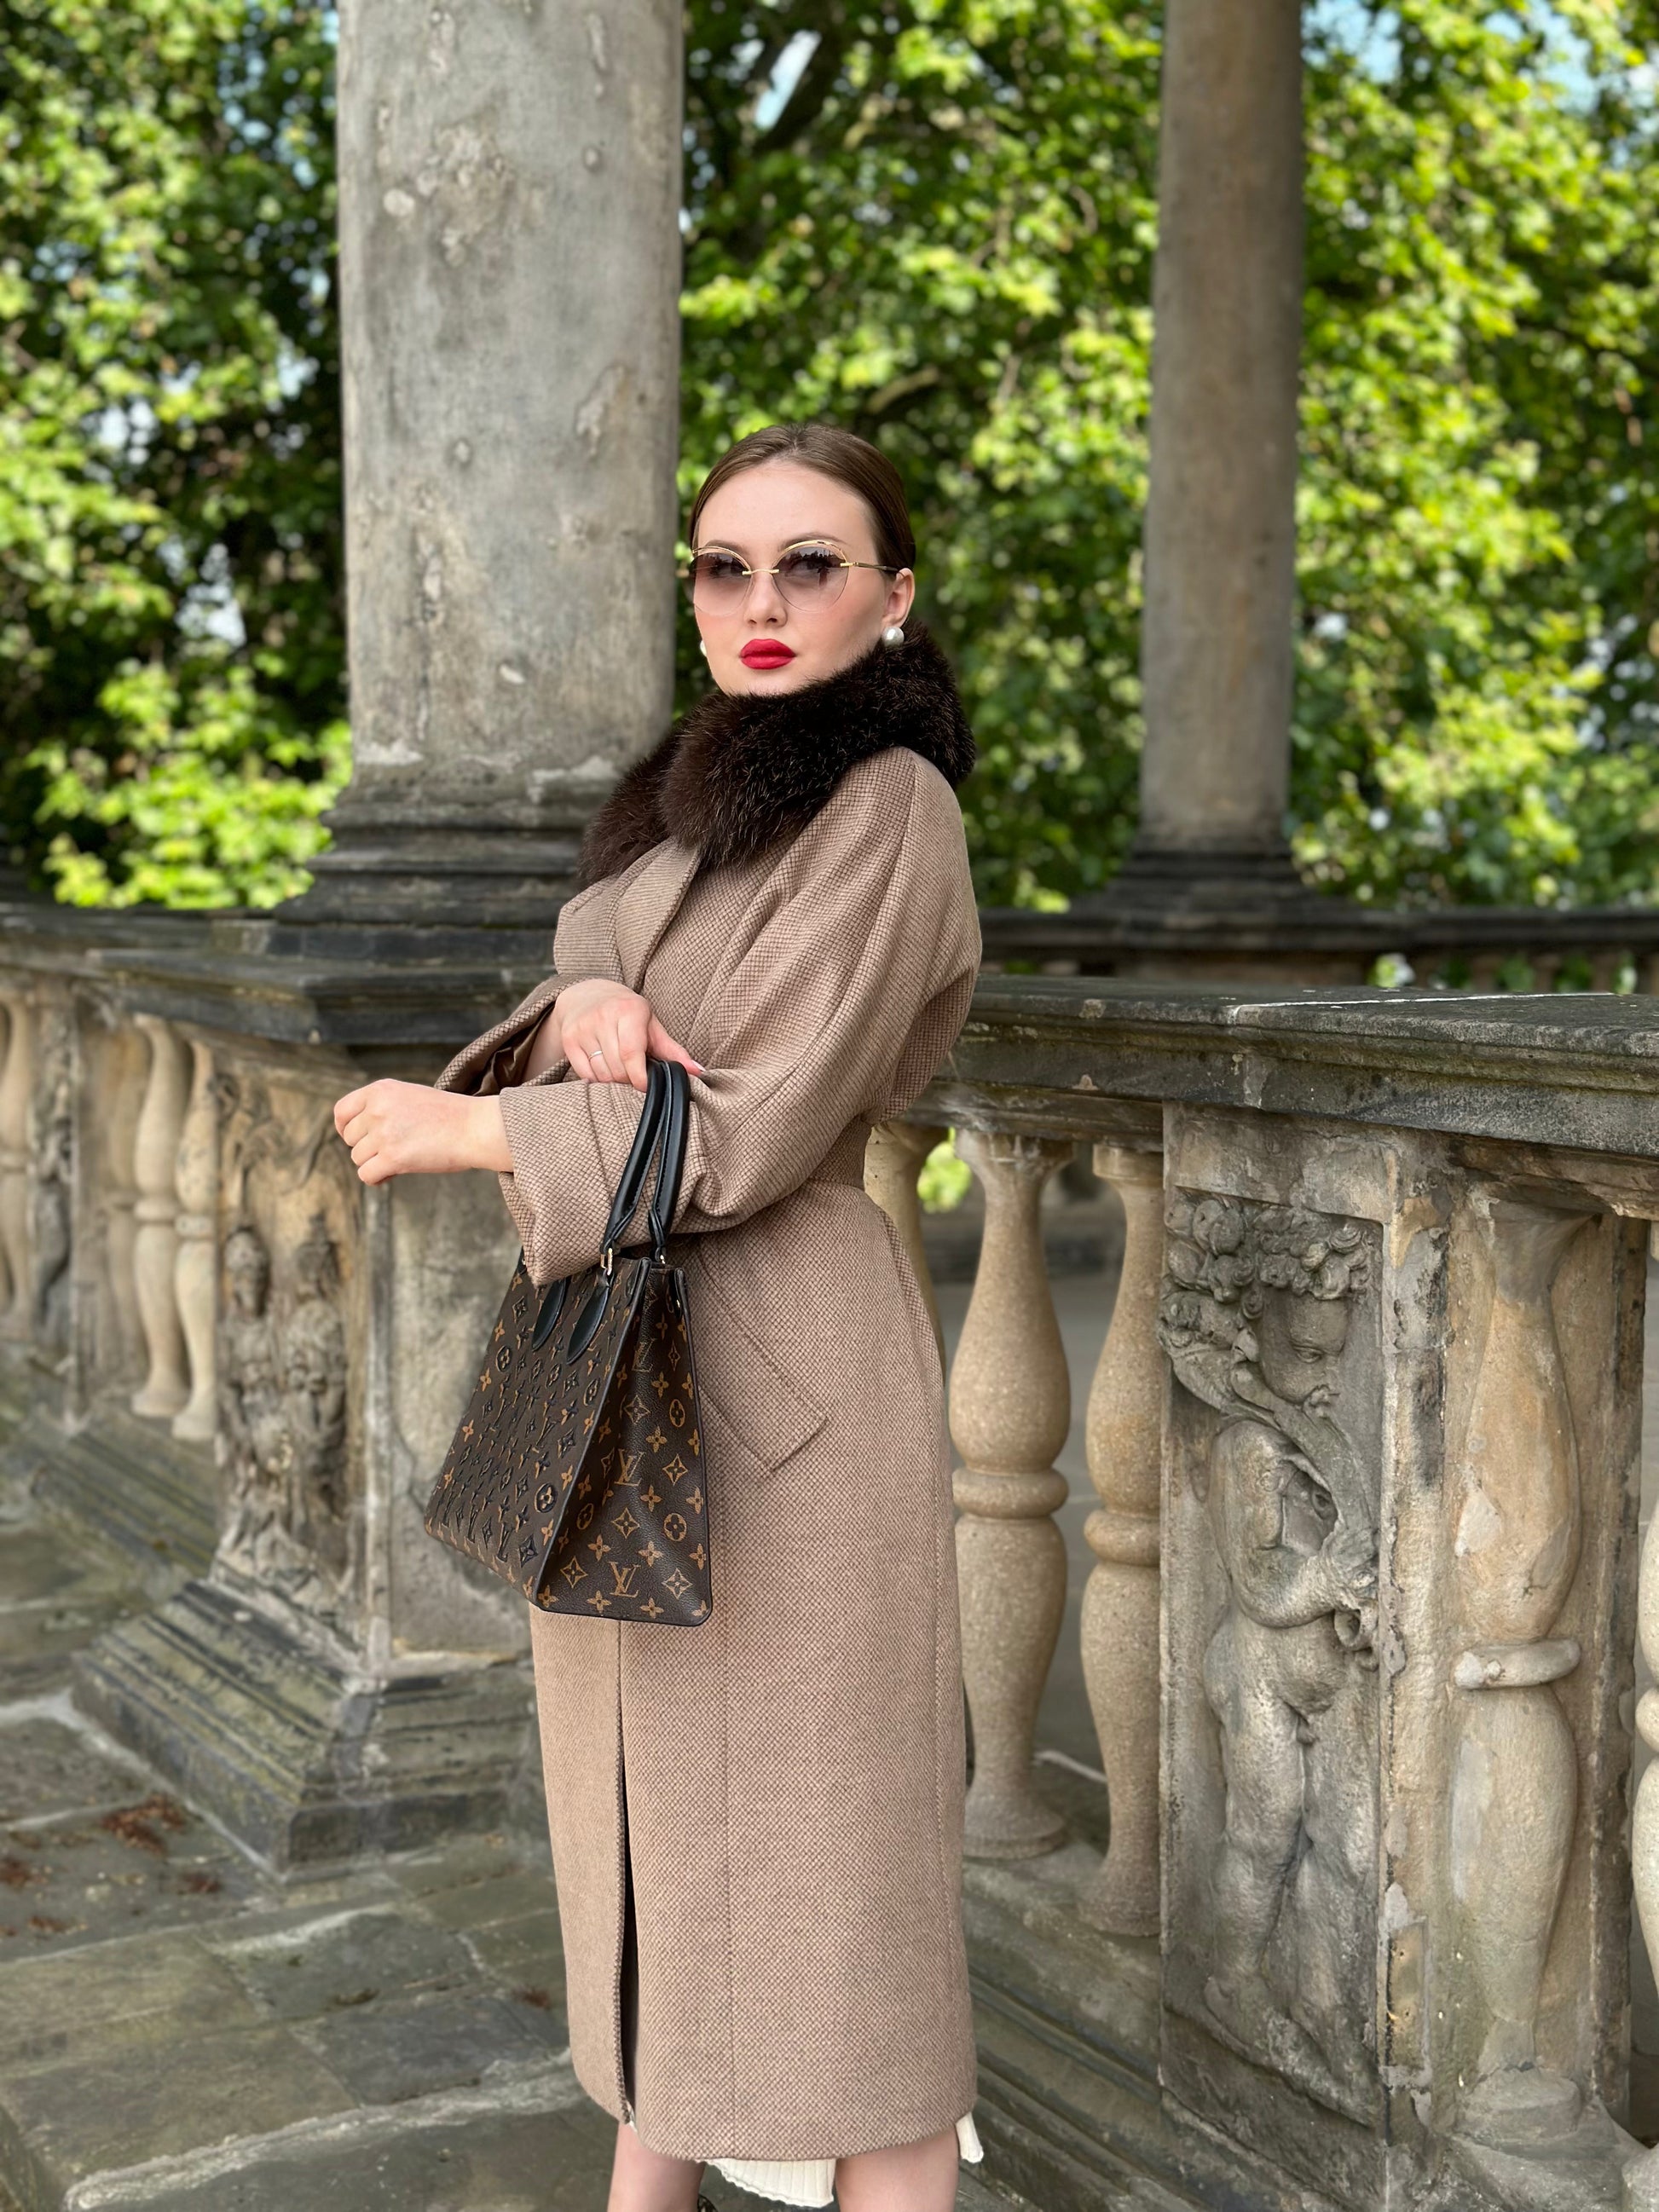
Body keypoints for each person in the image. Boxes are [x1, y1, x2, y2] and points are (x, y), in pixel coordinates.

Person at [333, 422, 986, 2212]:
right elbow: (593, 935)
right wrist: (589, 994)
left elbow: (762, 1123)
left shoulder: (888, 809)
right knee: (648, 1861)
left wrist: (489, 1120)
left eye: (809, 564)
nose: (761, 601)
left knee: (839, 1906)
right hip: (636, 1377)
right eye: (726, 566)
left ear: (894, 598)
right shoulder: (686, 797)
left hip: (789, 1393)